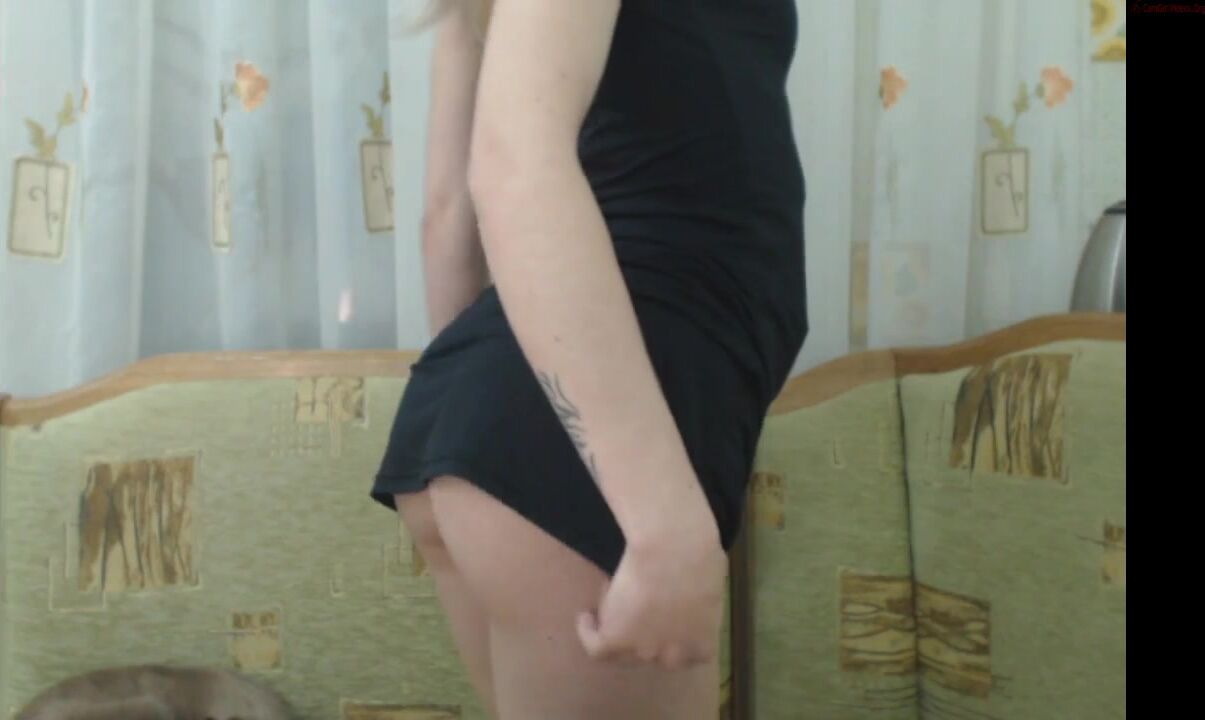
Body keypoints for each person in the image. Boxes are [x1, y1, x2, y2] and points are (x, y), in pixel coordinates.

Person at [371, 0, 806, 717]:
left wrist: (473, 427)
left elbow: (447, 216)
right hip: (595, 446)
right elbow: (512, 166)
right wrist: (657, 520)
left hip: (506, 423)